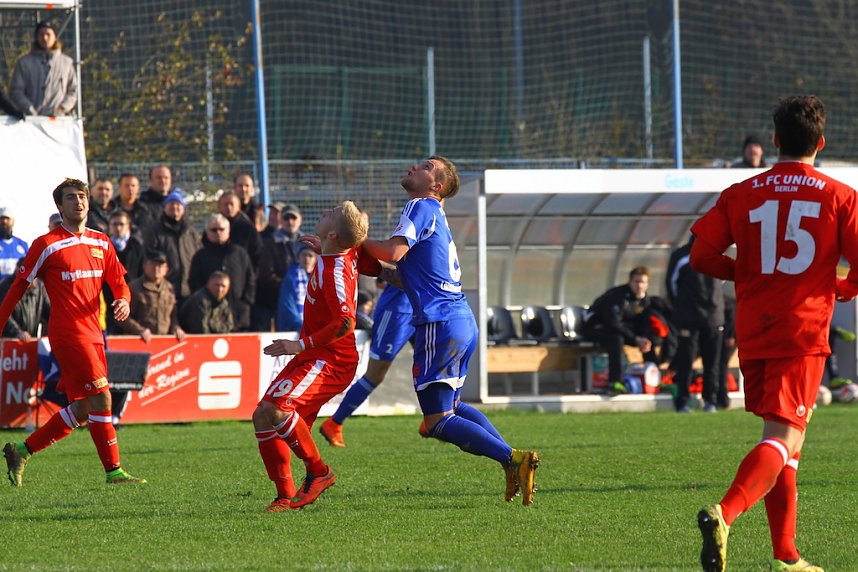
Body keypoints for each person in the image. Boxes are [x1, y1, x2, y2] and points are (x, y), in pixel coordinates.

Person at [692, 95, 858, 572]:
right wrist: (843, 286)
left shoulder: (743, 192)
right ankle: (724, 513)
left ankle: (787, 555)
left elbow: (702, 256)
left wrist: (745, 272)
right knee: (785, 436)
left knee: (785, 441)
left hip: (754, 327)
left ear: (776, 141)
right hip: (801, 328)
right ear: (821, 143)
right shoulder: (839, 195)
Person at [360, 156, 539, 506]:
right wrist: (371, 265)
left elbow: (394, 252)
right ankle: (512, 462)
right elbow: (403, 275)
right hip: (458, 319)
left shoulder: (420, 205)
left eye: (425, 166)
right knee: (454, 406)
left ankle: (512, 459)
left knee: (437, 421)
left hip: (438, 323)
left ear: (436, 186)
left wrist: (356, 239)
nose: (413, 166)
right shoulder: (433, 214)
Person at [1, 178, 146, 487]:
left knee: (82, 407)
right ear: (60, 206)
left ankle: (22, 450)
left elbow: (119, 282)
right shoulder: (47, 244)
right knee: (103, 397)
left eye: (82, 196)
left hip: (95, 333)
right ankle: (114, 471)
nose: (78, 202)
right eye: (70, 198)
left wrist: (123, 301)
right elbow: (17, 288)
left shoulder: (101, 241)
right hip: (68, 334)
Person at [253, 201, 380, 511]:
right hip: (318, 355)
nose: (326, 212)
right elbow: (357, 251)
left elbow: (346, 321)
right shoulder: (336, 253)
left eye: (331, 214)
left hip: (331, 359)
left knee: (279, 410)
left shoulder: (335, 268)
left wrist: (300, 345)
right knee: (263, 415)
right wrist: (324, 246)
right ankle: (285, 495)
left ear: (334, 234)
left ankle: (319, 472)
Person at [320, 281, 414, 448]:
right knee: (376, 374)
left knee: (431, 363)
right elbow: (384, 261)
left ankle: (435, 417)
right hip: (397, 311)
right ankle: (334, 423)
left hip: (423, 308)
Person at [582, 267, 670, 395]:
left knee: (648, 340)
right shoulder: (617, 297)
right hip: (596, 328)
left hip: (619, 329)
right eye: (636, 282)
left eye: (643, 282)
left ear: (647, 284)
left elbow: (640, 322)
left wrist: (643, 339)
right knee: (616, 339)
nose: (639, 286)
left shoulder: (644, 300)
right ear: (630, 282)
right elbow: (612, 322)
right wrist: (635, 338)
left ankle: (655, 379)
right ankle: (615, 382)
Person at [665, 235, 725, 413]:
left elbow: (720, 282)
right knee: (685, 361)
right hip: (689, 318)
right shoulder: (682, 256)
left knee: (712, 362)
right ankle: (682, 401)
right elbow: (672, 285)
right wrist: (682, 308)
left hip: (714, 317)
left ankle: (711, 401)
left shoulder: (716, 254)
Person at [188, 214, 255, 331]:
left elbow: (251, 279)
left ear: (228, 231)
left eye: (221, 229)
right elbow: (194, 281)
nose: (218, 232)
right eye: (213, 230)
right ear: (207, 232)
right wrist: (204, 302)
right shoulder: (200, 256)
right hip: (209, 316)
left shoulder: (240, 253)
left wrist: (246, 302)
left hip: (238, 315)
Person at [10, 21, 77, 117]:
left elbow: (73, 90)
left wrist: (62, 108)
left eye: (48, 34)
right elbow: (16, 91)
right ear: (36, 38)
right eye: (41, 35)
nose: (45, 38)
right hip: (31, 121)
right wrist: (29, 108)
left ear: (55, 37)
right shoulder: (24, 63)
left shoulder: (66, 63)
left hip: (58, 121)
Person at [143, 189, 200, 301]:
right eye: (171, 203)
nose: (175, 207)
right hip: (163, 291)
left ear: (183, 208)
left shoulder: (191, 232)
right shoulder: (154, 231)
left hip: (189, 291)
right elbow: (148, 257)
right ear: (164, 207)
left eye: (178, 204)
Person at [118, 249, 186, 344]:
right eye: (153, 264)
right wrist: (139, 330)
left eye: (160, 266)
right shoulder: (134, 287)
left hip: (164, 342)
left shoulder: (169, 289)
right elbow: (121, 317)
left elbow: (172, 315)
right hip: (138, 341)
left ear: (166, 269)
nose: (156, 268)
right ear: (145, 266)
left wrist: (176, 328)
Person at [256, 204, 305, 331]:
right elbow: (266, 273)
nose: (290, 221)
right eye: (286, 218)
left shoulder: (308, 244)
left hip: (305, 298)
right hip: (278, 302)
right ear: (281, 220)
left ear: (300, 220)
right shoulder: (270, 244)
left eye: (293, 218)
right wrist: (287, 287)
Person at [0, 259, 49, 340]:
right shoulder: (5, 287)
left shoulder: (40, 288)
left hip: (31, 339)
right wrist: (17, 332)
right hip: (9, 340)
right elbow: (4, 314)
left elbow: (50, 312)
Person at [274, 244, 316, 332]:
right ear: (298, 257)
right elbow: (287, 304)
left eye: (310, 256)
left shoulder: (318, 278)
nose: (307, 259)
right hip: (293, 328)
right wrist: (300, 325)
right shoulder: (291, 277)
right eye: (304, 255)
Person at [116, 174, 154, 238]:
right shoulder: (112, 208)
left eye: (133, 186)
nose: (130, 188)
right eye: (126, 185)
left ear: (138, 188)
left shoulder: (145, 209)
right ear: (120, 187)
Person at [0, 206, 29, 279]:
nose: (4, 221)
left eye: (7, 219)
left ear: (13, 221)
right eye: (2, 218)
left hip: (18, 287)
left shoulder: (22, 245)